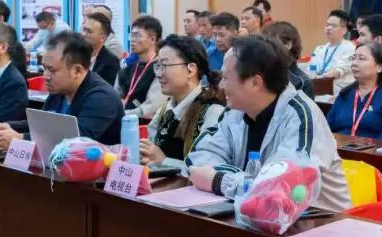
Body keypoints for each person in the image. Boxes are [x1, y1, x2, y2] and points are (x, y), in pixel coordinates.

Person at [185, 35, 352, 212]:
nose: (221, 86)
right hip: (252, 215)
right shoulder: (234, 112)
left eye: (226, 78)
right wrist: (240, 181)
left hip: (318, 221)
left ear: (255, 82)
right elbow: (199, 158)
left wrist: (219, 180)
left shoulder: (301, 115)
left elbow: (281, 191)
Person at [0, 32, 123, 145]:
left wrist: (21, 138)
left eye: (52, 70)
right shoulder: (59, 90)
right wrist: (10, 126)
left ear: (77, 71)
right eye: (44, 68)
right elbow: (43, 124)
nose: (45, 76)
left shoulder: (102, 98)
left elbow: (76, 142)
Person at [139, 35, 225, 173]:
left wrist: (164, 161)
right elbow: (150, 151)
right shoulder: (165, 109)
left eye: (164, 65)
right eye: (157, 66)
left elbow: (209, 171)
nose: (158, 74)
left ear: (191, 69)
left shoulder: (212, 112)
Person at [325, 41, 382, 141]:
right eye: (353, 58)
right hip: (339, 149)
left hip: (373, 150)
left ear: (379, 67)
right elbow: (327, 130)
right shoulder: (345, 94)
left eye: (361, 58)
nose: (354, 63)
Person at [117, 15, 167, 117]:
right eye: (131, 35)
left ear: (152, 39)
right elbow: (115, 96)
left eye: (137, 35)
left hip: (145, 123)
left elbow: (151, 108)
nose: (132, 40)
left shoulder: (161, 69)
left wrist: (123, 114)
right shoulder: (127, 69)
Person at [307, 9, 355, 96]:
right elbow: (310, 69)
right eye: (327, 25)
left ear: (344, 30)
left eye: (333, 26)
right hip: (318, 90)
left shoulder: (349, 47)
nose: (329, 28)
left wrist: (320, 79)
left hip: (339, 93)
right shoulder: (319, 49)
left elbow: (340, 71)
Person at [263, 21, 314, 99]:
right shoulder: (261, 73)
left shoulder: (302, 82)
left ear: (288, 44)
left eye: (270, 42)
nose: (265, 47)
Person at [82, 12, 120, 85]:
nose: (84, 34)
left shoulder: (110, 62)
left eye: (89, 32)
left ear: (102, 37)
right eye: (84, 30)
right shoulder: (75, 54)